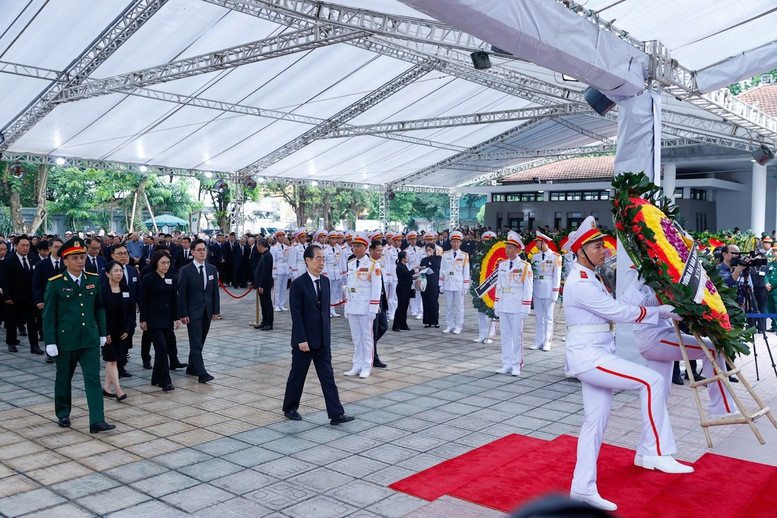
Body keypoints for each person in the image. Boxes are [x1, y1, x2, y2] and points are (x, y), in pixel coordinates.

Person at [563, 216, 692, 512]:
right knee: (652, 380)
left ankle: (582, 488)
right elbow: (618, 312)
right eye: (597, 247)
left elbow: (620, 307)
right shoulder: (580, 283)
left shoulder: (590, 276)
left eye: (603, 245)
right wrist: (660, 311)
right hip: (589, 356)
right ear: (580, 252)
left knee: (594, 424)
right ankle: (655, 451)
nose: (604, 250)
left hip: (596, 352)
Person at [621, 266, 734, 418]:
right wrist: (665, 295)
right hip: (655, 338)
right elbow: (630, 304)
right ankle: (722, 410)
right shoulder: (636, 271)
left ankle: (654, 429)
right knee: (712, 349)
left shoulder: (664, 268)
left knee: (659, 393)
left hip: (663, 333)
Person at [42, 237, 115, 433]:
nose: (80, 261)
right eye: (74, 258)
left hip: (89, 338)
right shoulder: (56, 283)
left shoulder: (93, 279)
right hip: (66, 340)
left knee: (93, 379)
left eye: (82, 257)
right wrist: (50, 341)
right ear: (65, 261)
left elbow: (99, 308)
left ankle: (97, 420)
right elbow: (48, 315)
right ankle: (63, 412)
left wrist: (102, 332)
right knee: (64, 378)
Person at [282, 245, 355, 425]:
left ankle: (336, 414)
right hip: (304, 341)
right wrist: (301, 339)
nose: (321, 262)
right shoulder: (298, 284)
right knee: (298, 375)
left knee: (328, 376)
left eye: (323, 259)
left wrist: (327, 337)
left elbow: (325, 312)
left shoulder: (325, 281)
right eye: (318, 259)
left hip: (322, 340)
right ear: (308, 260)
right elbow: (296, 315)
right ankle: (290, 408)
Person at [178, 238, 220, 384]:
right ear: (193, 252)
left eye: (204, 250)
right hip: (192, 312)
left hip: (207, 311)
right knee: (195, 342)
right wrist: (183, 313)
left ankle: (192, 367)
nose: (202, 252)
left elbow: (215, 292)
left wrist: (215, 310)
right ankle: (202, 373)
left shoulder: (211, 269)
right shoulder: (186, 270)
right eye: (199, 250)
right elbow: (182, 294)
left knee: (201, 341)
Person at [140, 251, 181, 392]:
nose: (166, 265)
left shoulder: (171, 278)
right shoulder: (148, 278)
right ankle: (165, 381)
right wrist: (143, 319)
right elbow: (144, 300)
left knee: (163, 350)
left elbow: (174, 299)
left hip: (167, 319)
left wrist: (177, 317)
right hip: (153, 320)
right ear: (156, 263)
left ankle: (156, 377)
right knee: (162, 348)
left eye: (168, 263)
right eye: (163, 263)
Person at [344, 233, 382, 379]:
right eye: (354, 246)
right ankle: (357, 364)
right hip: (353, 304)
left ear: (366, 247)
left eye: (358, 246)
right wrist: (346, 305)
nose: (355, 249)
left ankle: (366, 365)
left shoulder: (373, 264)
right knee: (356, 337)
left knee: (366, 337)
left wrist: (373, 307)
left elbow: (376, 288)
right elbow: (349, 285)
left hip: (366, 306)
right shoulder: (351, 263)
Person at [494, 232, 533, 376]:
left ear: (517, 250)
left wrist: (525, 308)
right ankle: (507, 363)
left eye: (510, 247)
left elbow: (528, 288)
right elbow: (499, 285)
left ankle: (517, 364)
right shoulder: (503, 265)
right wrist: (497, 304)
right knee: (505, 336)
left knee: (517, 336)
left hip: (517, 305)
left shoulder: (524, 266)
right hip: (504, 304)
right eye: (507, 247)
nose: (507, 250)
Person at [3, 235, 43, 355]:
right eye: (23, 245)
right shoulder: (9, 260)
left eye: (27, 245)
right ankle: (11, 342)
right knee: (12, 321)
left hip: (31, 297)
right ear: (16, 246)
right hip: (14, 297)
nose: (25, 248)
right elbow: (5, 281)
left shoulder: (33, 258)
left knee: (32, 323)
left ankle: (34, 346)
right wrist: (7, 297)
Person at [101, 261, 135, 400]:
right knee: (112, 360)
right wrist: (105, 332)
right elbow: (100, 313)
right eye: (115, 271)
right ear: (108, 274)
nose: (119, 273)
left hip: (122, 331)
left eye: (120, 270)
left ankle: (106, 388)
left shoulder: (126, 289)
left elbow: (131, 311)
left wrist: (128, 329)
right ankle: (119, 391)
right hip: (108, 331)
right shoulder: (102, 290)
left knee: (114, 359)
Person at [531, 232, 562, 351]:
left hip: (549, 288)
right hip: (537, 287)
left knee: (548, 317)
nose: (536, 245)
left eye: (537, 242)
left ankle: (547, 341)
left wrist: (555, 292)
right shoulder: (535, 256)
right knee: (538, 317)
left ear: (543, 242)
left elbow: (557, 276)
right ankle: (538, 341)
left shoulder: (555, 256)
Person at [439, 230, 470, 334]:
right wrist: (441, 283)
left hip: (458, 283)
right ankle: (449, 325)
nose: (455, 243)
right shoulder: (445, 255)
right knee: (449, 306)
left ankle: (458, 326)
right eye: (454, 241)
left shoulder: (464, 255)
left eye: (457, 241)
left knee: (460, 307)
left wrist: (466, 285)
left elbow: (466, 271)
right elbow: (442, 270)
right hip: (448, 282)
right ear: (450, 242)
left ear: (460, 243)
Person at [474, 230, 497, 344]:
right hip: (482, 287)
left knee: (492, 312)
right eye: (485, 241)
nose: (487, 244)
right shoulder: (479, 255)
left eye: (489, 242)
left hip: (493, 287)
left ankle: (490, 334)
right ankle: (482, 334)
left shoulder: (498, 256)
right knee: (481, 311)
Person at [369, 240, 388, 368]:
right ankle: (373, 357)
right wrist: (375, 304)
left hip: (380, 300)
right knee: (373, 330)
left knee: (383, 326)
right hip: (373, 302)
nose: (380, 253)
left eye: (381, 250)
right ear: (371, 250)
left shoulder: (379, 263)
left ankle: (370, 347)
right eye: (378, 250)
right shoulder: (368, 264)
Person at [393, 251, 416, 331]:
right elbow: (407, 274)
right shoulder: (400, 266)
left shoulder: (404, 266)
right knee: (401, 306)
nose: (408, 258)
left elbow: (407, 276)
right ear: (403, 258)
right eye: (407, 257)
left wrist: (414, 277)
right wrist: (414, 269)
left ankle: (403, 324)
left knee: (405, 307)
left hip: (407, 288)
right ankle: (396, 325)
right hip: (402, 289)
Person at [254, 238, 274, 331]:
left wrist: (261, 285)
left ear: (260, 246)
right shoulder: (264, 255)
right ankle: (264, 321)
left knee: (267, 303)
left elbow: (265, 272)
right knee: (263, 304)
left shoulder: (267, 256)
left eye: (257, 246)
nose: (257, 248)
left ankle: (269, 323)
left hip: (265, 284)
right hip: (261, 284)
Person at [419, 243, 441, 328]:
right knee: (426, 302)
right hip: (425, 282)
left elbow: (436, 266)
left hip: (433, 283)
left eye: (430, 250)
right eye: (427, 250)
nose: (428, 252)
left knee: (434, 302)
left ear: (434, 250)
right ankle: (427, 321)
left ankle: (435, 321)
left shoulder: (438, 258)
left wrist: (431, 257)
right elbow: (421, 269)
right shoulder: (423, 260)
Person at [271, 230, 291, 311]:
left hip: (285, 268)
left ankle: (281, 304)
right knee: (277, 288)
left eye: (283, 236)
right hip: (278, 268)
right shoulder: (274, 248)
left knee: (283, 288)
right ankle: (276, 305)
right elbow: (273, 260)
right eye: (280, 236)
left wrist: (289, 271)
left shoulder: (286, 247)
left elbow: (288, 259)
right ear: (276, 238)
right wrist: (274, 272)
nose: (282, 238)